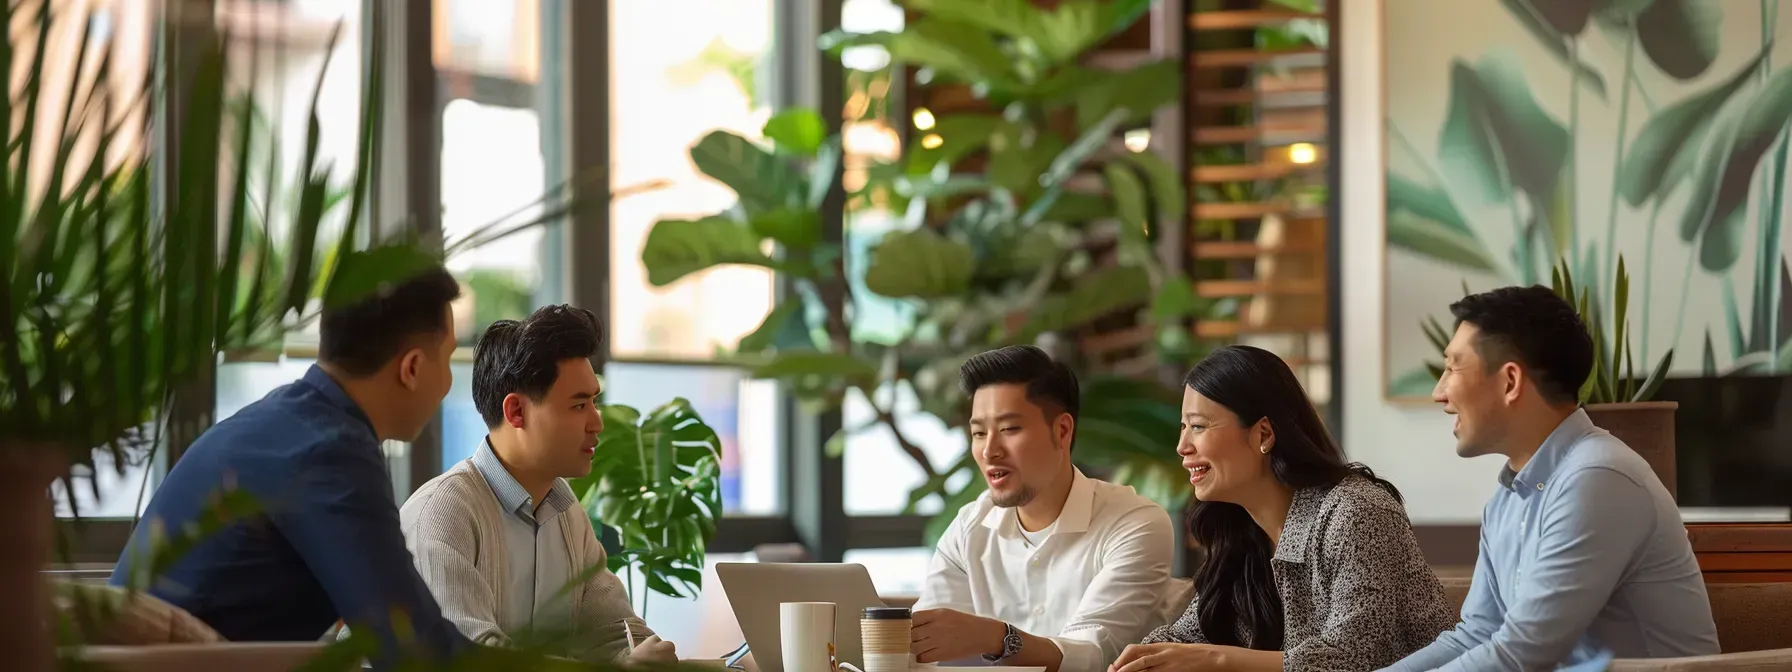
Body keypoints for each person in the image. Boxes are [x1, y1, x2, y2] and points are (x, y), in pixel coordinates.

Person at [110, 266, 470, 663]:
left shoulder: (289, 421)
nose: (449, 381)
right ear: (413, 367)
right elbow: (411, 648)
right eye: (449, 357)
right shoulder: (332, 454)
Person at [1387, 286, 1719, 670]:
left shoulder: (1598, 478)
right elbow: (1477, 634)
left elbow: (1522, 653)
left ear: (1510, 382)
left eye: (1452, 367)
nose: (1438, 392)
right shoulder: (1508, 499)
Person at [1109, 345, 1453, 672]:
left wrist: (1217, 661)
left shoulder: (1356, 512)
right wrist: (1147, 658)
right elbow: (1187, 637)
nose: (1182, 446)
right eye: (1184, 427)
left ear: (1263, 434)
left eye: (1198, 426)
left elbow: (1355, 658)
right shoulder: (1241, 532)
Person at [399, 305, 675, 664]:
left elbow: (614, 632)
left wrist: (647, 656)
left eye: (595, 402)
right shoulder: (443, 512)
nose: (597, 423)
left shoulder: (565, 511)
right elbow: (475, 658)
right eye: (578, 406)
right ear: (516, 412)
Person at [911, 345, 1174, 672]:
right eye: (979, 433)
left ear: (1062, 431)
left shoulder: (1134, 523)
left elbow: (1092, 655)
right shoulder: (969, 527)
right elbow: (925, 648)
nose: (989, 451)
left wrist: (998, 637)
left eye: (1009, 429)